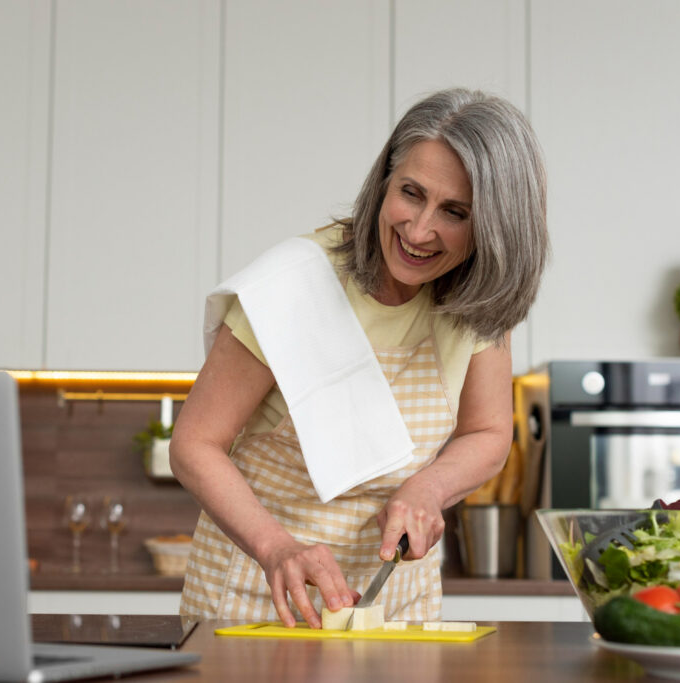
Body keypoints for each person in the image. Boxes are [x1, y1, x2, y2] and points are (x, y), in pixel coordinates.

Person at [169, 87, 548, 628]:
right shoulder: (292, 285)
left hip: (395, 605)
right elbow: (193, 444)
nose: (419, 231)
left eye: (455, 212)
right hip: (258, 595)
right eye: (411, 193)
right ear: (384, 181)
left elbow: (486, 433)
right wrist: (277, 548)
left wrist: (428, 488)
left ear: (495, 226)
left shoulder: (478, 298)